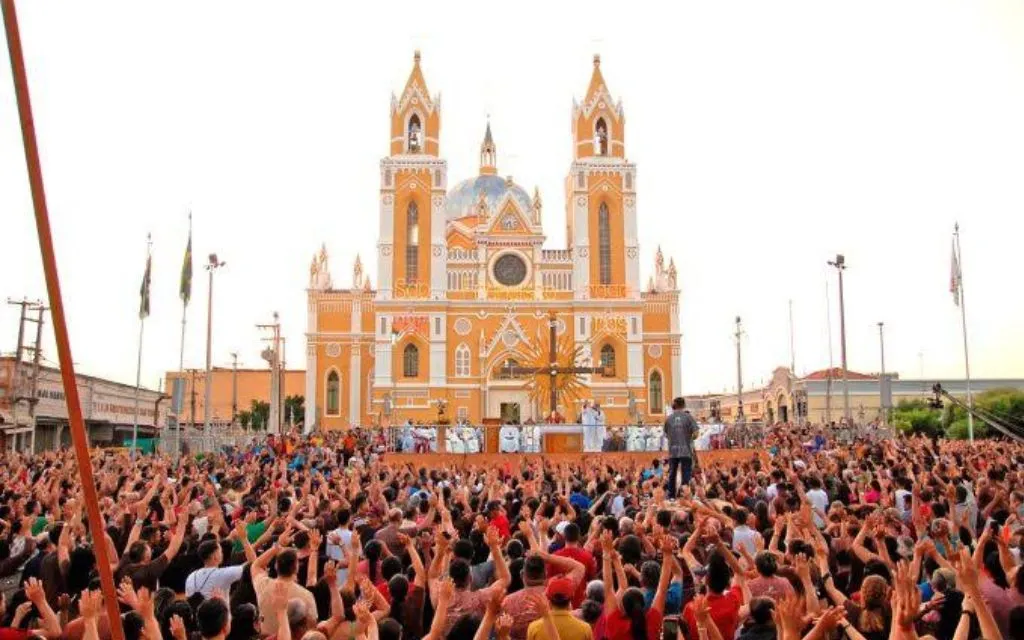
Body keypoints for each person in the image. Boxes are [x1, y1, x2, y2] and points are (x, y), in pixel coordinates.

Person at [664, 397, 698, 498]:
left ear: (674, 405)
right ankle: (684, 496)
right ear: (683, 405)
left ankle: (671, 497)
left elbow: (666, 433)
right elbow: (696, 433)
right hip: (686, 450)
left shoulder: (669, 418)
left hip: (673, 451)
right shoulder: (688, 417)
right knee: (685, 474)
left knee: (672, 474)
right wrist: (689, 438)